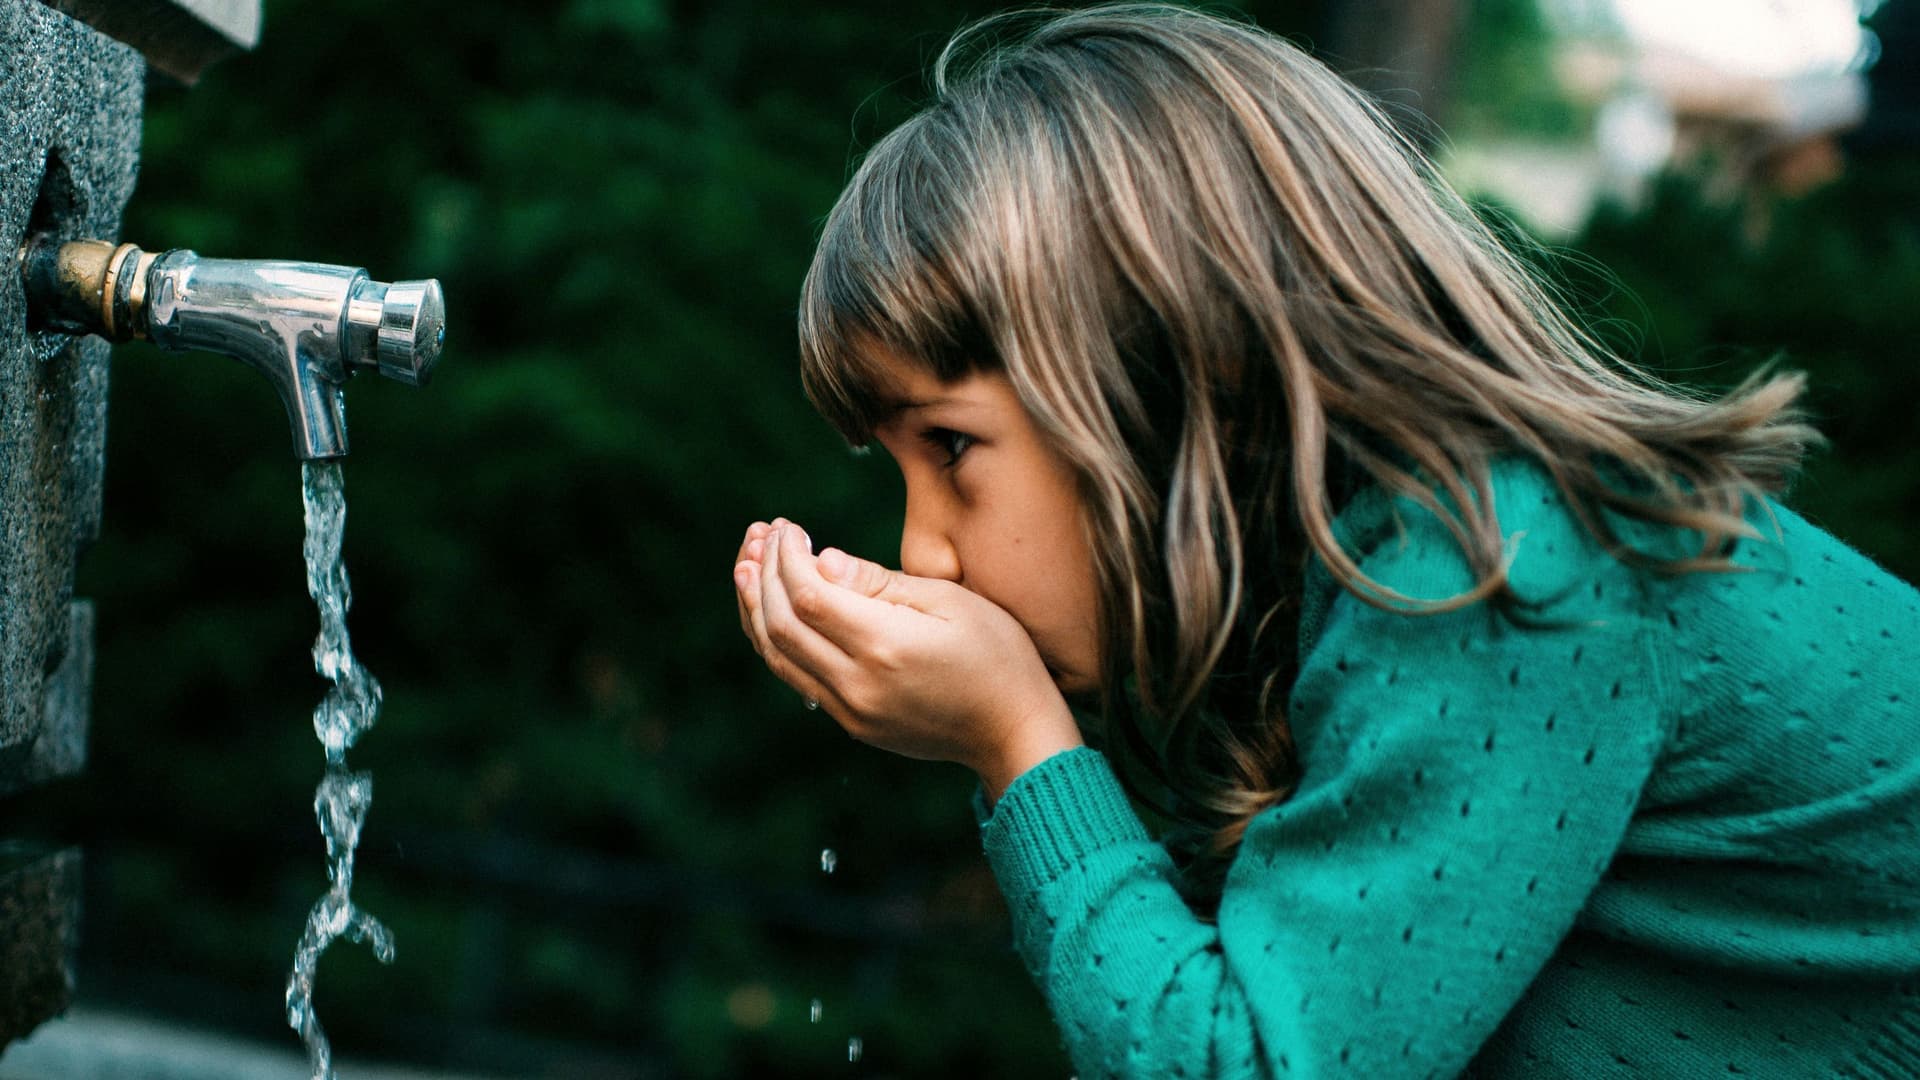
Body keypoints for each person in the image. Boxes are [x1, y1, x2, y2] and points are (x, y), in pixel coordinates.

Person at [730, 5, 1920, 1076]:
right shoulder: (1346, 593)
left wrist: (1020, 745)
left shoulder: (1491, 574)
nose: (923, 553)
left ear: (1166, 374)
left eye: (948, 451)